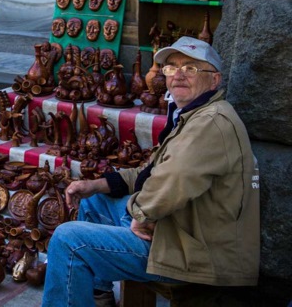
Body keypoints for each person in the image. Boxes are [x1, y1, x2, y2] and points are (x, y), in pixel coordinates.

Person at [42, 36, 259, 307]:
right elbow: (152, 173)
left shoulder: (211, 121)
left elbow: (173, 179)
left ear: (214, 80)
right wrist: (97, 185)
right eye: (171, 68)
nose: (178, 74)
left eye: (190, 68)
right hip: (179, 229)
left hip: (196, 252)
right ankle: (100, 296)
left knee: (68, 240)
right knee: (95, 202)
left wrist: (141, 213)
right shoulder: (192, 115)